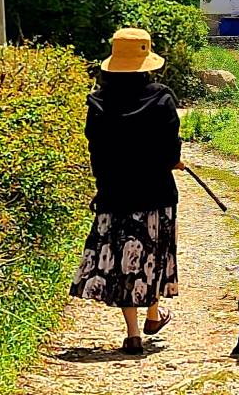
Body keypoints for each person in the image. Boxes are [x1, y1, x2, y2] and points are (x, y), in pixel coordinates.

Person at [70, 28, 184, 355]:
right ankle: (152, 313)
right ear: (146, 62)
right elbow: (169, 153)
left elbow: (97, 151)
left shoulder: (98, 102)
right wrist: (174, 163)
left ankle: (135, 332)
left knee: (124, 261)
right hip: (155, 195)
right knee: (153, 256)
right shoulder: (161, 98)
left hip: (114, 196)